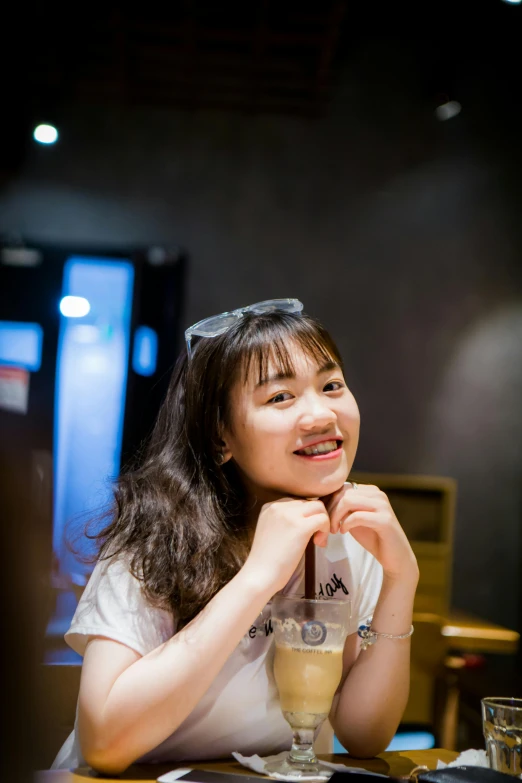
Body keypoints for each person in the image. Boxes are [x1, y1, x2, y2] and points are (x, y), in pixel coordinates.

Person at [52, 299, 419, 774]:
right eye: (280, 397)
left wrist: (400, 577)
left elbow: (363, 734)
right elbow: (105, 741)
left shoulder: (350, 533)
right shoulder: (156, 534)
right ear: (221, 436)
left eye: (331, 386)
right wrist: (257, 578)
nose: (321, 415)